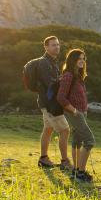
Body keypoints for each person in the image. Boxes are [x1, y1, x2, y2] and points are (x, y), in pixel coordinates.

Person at [57, 48, 96, 183]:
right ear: (72, 60)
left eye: (83, 59)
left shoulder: (78, 75)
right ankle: (80, 173)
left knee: (77, 141)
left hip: (81, 113)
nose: (82, 61)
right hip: (75, 113)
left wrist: (83, 110)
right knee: (89, 141)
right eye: (79, 59)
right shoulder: (68, 75)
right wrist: (74, 111)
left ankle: (76, 171)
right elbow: (61, 97)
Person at [36, 36, 72, 170]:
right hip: (50, 104)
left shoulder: (52, 62)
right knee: (65, 130)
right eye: (53, 45)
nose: (57, 47)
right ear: (46, 47)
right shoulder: (44, 63)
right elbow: (49, 83)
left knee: (48, 129)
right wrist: (63, 80)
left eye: (57, 44)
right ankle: (64, 161)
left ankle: (43, 159)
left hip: (47, 103)